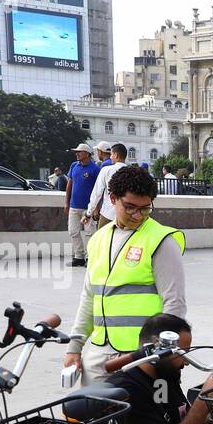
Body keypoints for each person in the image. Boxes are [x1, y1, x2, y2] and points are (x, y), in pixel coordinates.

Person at [64, 164, 186, 385]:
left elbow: (174, 304)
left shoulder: (162, 240)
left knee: (143, 419)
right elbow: (89, 297)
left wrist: (163, 354)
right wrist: (75, 347)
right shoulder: (99, 239)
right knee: (87, 413)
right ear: (112, 198)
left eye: (145, 208)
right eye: (130, 207)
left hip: (143, 355)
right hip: (99, 354)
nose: (138, 215)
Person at [64, 143, 100, 267]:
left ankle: (90, 257)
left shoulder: (95, 169)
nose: (77, 154)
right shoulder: (74, 166)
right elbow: (69, 184)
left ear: (86, 153)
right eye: (76, 152)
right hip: (74, 206)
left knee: (90, 233)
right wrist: (66, 202)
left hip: (88, 208)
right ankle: (79, 257)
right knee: (73, 231)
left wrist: (96, 208)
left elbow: (99, 190)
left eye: (79, 152)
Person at [85, 142, 128, 229]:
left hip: (108, 214)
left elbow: (96, 194)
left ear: (115, 155)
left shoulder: (106, 170)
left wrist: (88, 213)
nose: (110, 157)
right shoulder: (133, 172)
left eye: (111, 154)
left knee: (102, 241)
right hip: (126, 215)